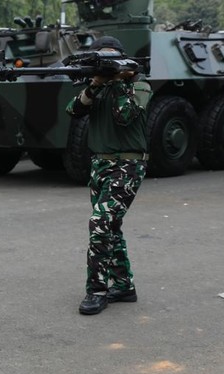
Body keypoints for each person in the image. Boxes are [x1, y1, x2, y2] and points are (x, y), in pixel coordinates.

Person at [66, 35, 152, 315]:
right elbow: (74, 110)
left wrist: (119, 81)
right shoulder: (98, 88)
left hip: (128, 165)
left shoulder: (139, 85)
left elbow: (124, 116)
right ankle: (124, 286)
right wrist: (96, 84)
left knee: (100, 223)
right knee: (110, 227)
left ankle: (97, 290)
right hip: (100, 165)